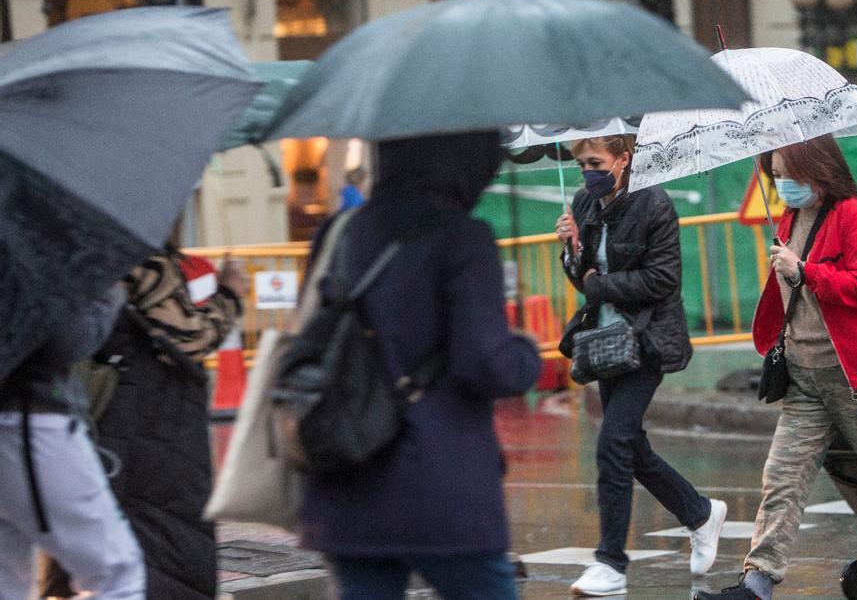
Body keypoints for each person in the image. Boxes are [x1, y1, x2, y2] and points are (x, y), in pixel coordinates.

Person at [299, 130, 542, 600]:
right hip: (442, 480)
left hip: (347, 466)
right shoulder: (462, 238)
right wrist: (525, 353)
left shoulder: (338, 233)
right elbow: (486, 364)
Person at [695, 135, 857, 600]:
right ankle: (758, 582)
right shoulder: (789, 219)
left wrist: (805, 270)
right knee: (781, 480)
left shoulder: (854, 217)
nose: (783, 184)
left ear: (820, 169)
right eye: (776, 176)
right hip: (805, 380)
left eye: (790, 175)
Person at [556, 135, 727, 597]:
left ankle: (610, 563)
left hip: (647, 338)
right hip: (606, 340)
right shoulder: (584, 204)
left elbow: (662, 278)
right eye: (582, 164)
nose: (587, 172)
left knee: (613, 443)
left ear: (624, 160)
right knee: (631, 448)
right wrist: (571, 251)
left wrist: (598, 284)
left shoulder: (654, 203)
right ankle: (699, 513)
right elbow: (583, 278)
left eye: (596, 162)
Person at [36, 248, 250, 599]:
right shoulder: (127, 247)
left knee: (85, 546)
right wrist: (229, 294)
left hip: (83, 411)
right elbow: (189, 338)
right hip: (145, 419)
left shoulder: (58, 245)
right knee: (150, 549)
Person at [0, 285, 146, 600]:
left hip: (24, 419)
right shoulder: (35, 253)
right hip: (28, 418)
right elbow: (68, 339)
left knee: (7, 579)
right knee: (117, 575)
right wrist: (110, 293)